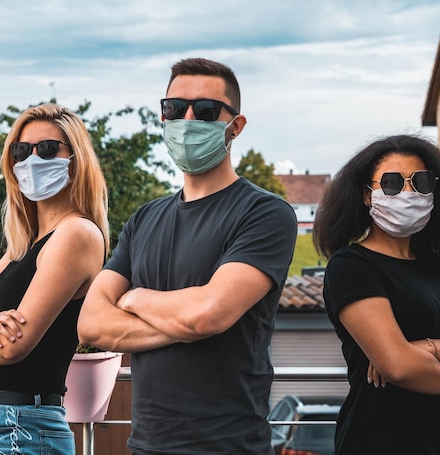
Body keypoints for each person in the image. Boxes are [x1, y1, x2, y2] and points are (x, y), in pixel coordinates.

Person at [78, 57, 297, 454]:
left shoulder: (265, 213)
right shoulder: (145, 218)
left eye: (207, 110)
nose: (188, 119)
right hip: (146, 444)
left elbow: (208, 314)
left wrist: (136, 298)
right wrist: (192, 323)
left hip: (229, 444)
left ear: (236, 125)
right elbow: (92, 325)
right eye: (174, 108)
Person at [312, 134, 440, 455]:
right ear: (368, 195)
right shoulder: (351, 266)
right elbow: (399, 367)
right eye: (392, 183)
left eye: (420, 181)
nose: (408, 192)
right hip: (377, 442)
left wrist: (426, 347)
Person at [0, 103, 109, 454]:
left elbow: (11, 348)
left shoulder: (76, 234)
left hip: (20, 427)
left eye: (48, 149)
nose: (33, 159)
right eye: (21, 150)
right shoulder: (23, 243)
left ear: (75, 159)